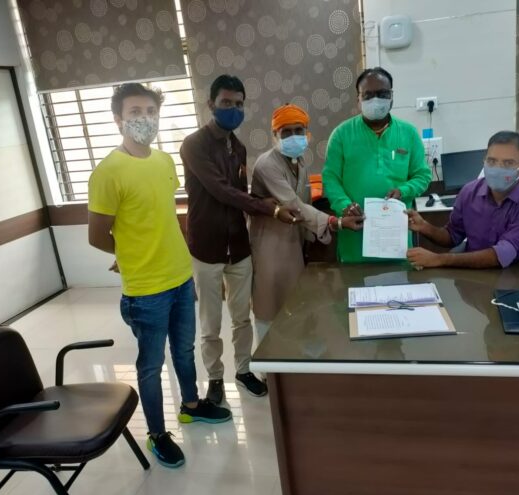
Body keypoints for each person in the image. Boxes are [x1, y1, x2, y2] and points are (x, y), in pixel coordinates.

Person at [87, 83, 232, 469]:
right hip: (146, 290)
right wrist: (127, 256)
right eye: (135, 112)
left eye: (151, 111)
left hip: (180, 277)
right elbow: (97, 236)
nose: (145, 119)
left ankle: (191, 406)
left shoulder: (165, 161)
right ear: (118, 119)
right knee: (151, 365)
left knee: (184, 350)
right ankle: (156, 433)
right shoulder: (108, 172)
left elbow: (164, 217)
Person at [181, 75, 298, 405]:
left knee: (242, 317)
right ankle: (215, 377)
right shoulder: (194, 144)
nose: (233, 109)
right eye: (226, 103)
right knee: (210, 322)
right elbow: (221, 190)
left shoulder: (239, 147)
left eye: (238, 104)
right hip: (206, 247)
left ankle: (244, 370)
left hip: (239, 245)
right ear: (211, 104)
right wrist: (270, 209)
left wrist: (266, 203)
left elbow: (239, 193)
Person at [250, 104, 364, 342]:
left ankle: (294, 353)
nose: (293, 136)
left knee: (294, 301)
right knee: (269, 302)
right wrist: (335, 222)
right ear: (275, 135)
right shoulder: (267, 164)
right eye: (286, 132)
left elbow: (305, 200)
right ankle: (266, 359)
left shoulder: (298, 161)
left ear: (307, 133)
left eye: (298, 130)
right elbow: (294, 205)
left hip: (294, 240)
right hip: (270, 243)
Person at [322, 66, 432, 263]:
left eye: (382, 94)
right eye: (368, 95)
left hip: (396, 238)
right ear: (358, 99)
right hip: (355, 236)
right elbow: (331, 179)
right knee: (354, 281)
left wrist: (403, 191)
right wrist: (345, 206)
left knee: (398, 281)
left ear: (392, 97)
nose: (376, 100)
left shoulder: (408, 133)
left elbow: (422, 175)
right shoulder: (341, 134)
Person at [406, 130, 519, 269]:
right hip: (473, 273)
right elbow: (452, 236)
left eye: (508, 163)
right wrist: (424, 227)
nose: (497, 168)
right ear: (484, 160)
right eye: (491, 161)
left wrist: (439, 259)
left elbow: (502, 255)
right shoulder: (469, 192)